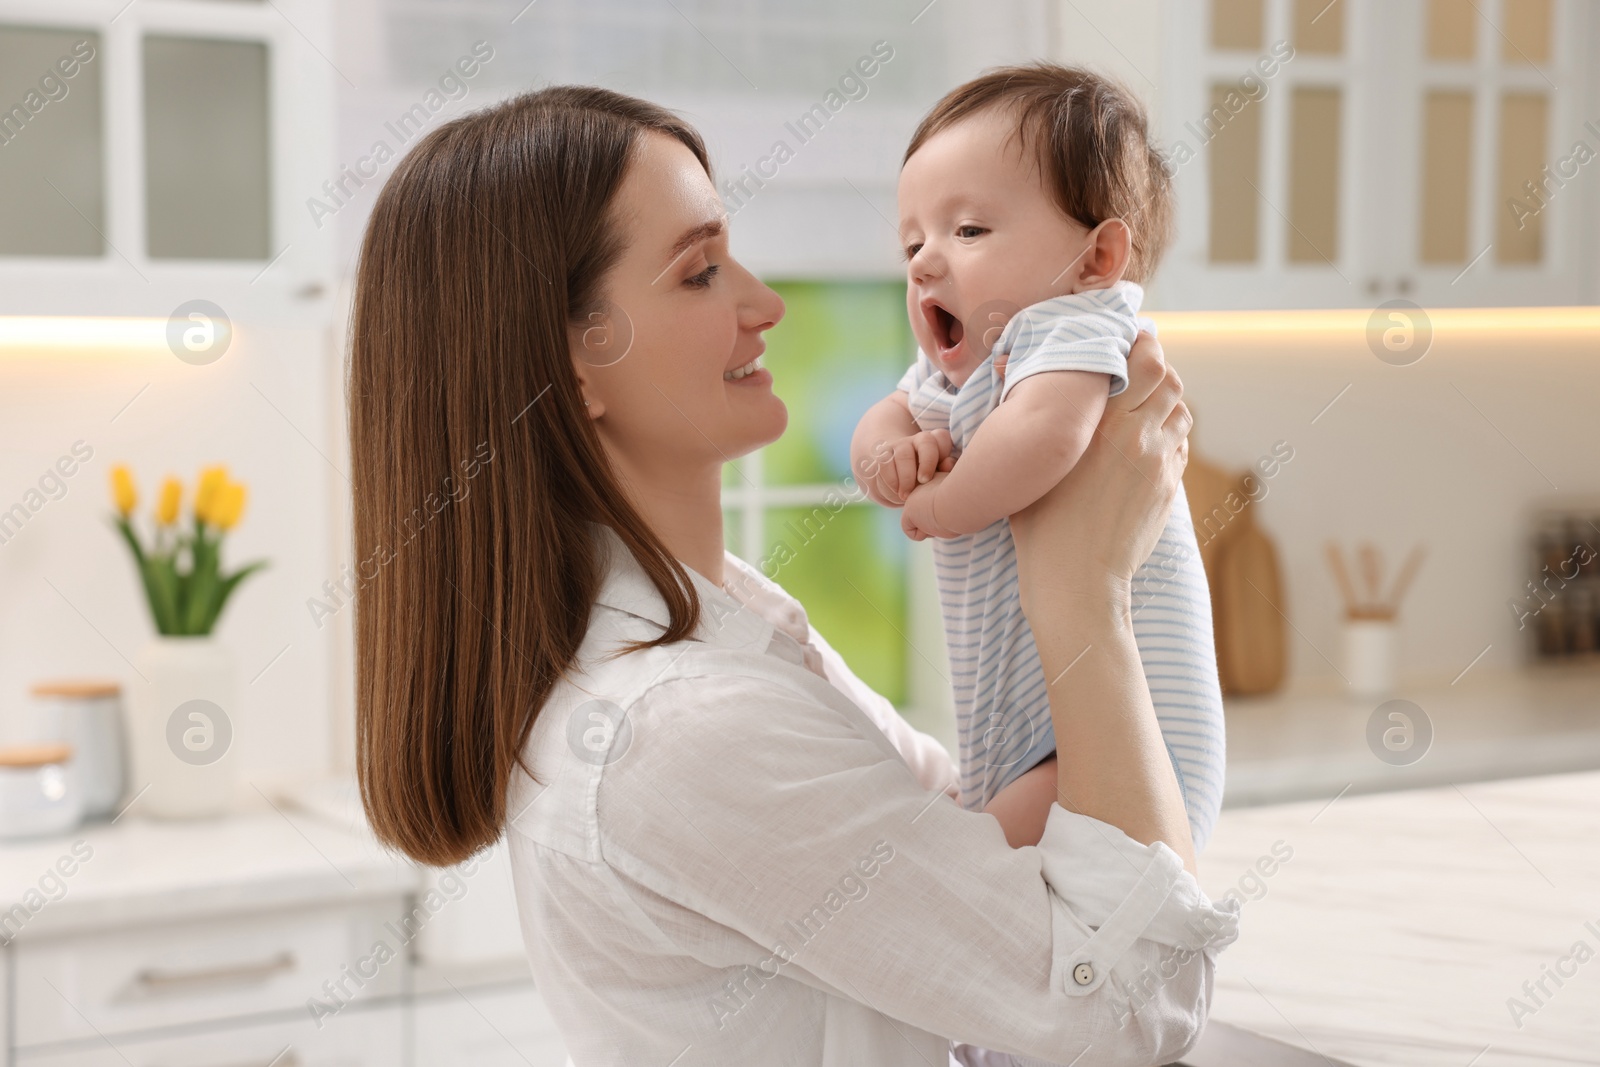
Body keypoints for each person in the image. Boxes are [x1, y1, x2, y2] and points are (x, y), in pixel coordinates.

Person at [348, 85, 1239, 1067]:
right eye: (699, 273)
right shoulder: (675, 730)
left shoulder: (724, 622)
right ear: (576, 369)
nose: (763, 305)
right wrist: (1085, 595)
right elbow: (1129, 1008)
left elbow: (959, 836)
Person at [850, 64, 1225, 837]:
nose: (923, 261)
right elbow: (885, 414)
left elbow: (1045, 436)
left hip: (1127, 726)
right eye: (913, 241)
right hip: (1030, 723)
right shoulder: (955, 368)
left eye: (969, 230)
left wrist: (942, 505)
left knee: (972, 863)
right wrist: (889, 456)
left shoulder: (1074, 326)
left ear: (1095, 259)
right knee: (993, 871)